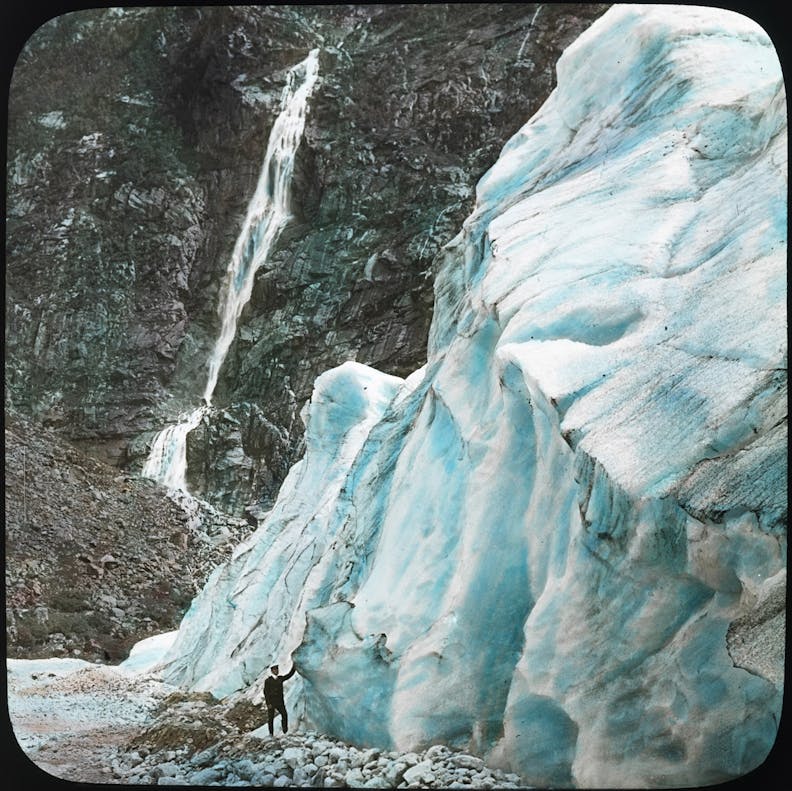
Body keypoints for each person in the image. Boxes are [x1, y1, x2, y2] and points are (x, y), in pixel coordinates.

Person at [264, 663, 297, 735]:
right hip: (271, 702)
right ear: (272, 671)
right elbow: (266, 692)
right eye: (275, 670)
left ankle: (285, 731)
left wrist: (294, 666)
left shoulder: (280, 678)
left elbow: (289, 675)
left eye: (277, 669)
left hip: (280, 702)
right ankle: (271, 734)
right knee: (270, 719)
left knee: (284, 715)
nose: (277, 671)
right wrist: (268, 703)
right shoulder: (268, 681)